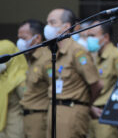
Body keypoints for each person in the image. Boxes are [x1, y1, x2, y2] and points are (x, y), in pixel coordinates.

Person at [43, 8, 103, 138]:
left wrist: (87, 104)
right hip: (53, 109)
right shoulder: (55, 52)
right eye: (47, 23)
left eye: (52, 23)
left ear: (66, 26)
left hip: (71, 111)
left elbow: (96, 84)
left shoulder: (77, 51)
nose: (48, 27)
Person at [88, 20, 118, 138]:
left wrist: (115, 112)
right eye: (88, 35)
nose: (89, 39)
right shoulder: (94, 56)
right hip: (90, 113)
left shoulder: (116, 56)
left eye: (92, 36)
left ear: (106, 37)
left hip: (106, 116)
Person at [17, 19, 51, 138]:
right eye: (19, 38)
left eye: (24, 38)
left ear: (37, 38)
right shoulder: (31, 59)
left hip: (40, 118)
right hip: (27, 117)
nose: (20, 42)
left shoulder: (46, 59)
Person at [0, 40, 28, 138]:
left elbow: (26, 102)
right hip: (0, 126)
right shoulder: (0, 76)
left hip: (14, 127)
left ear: (8, 58)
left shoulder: (20, 78)